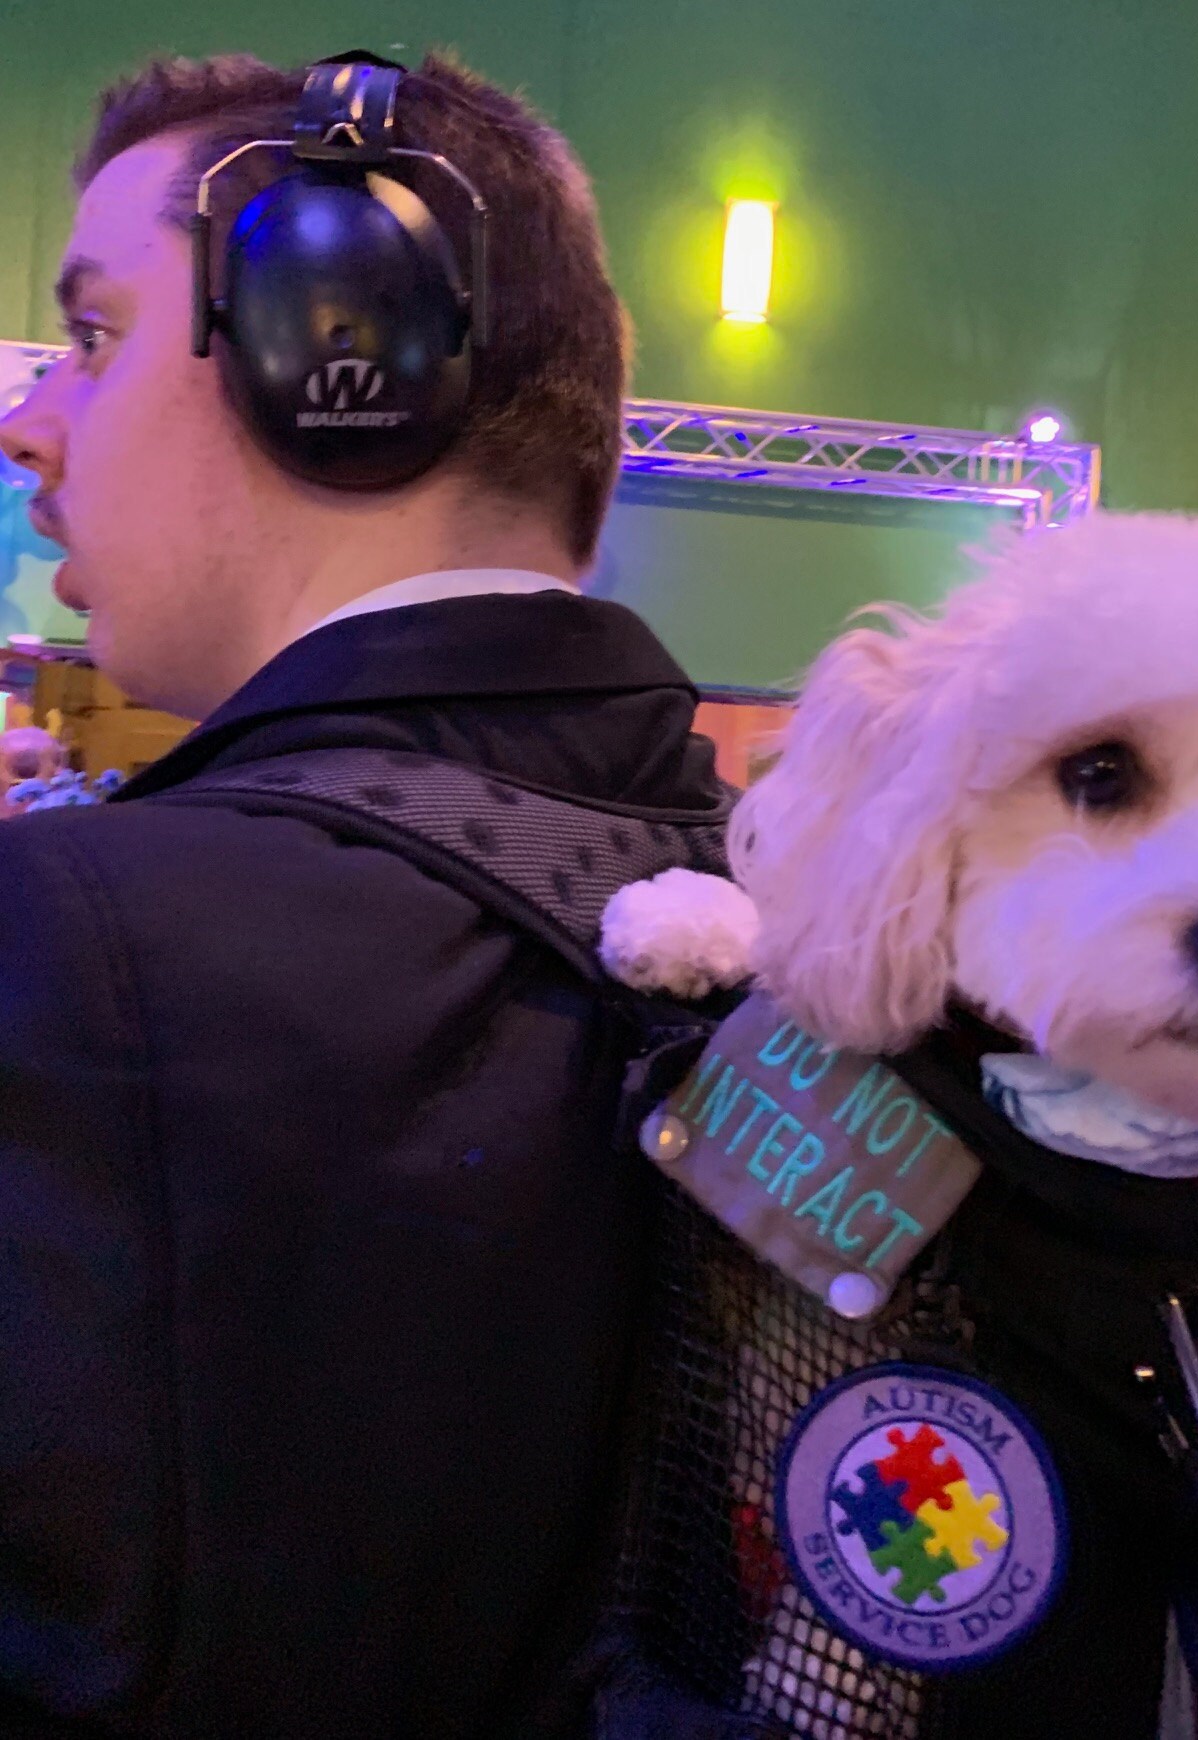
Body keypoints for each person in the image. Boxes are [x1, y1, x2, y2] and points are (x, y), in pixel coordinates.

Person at [0, 51, 726, 1740]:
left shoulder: (70, 958)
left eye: (94, 335)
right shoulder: (791, 902)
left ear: (342, 342)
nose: (29, 417)